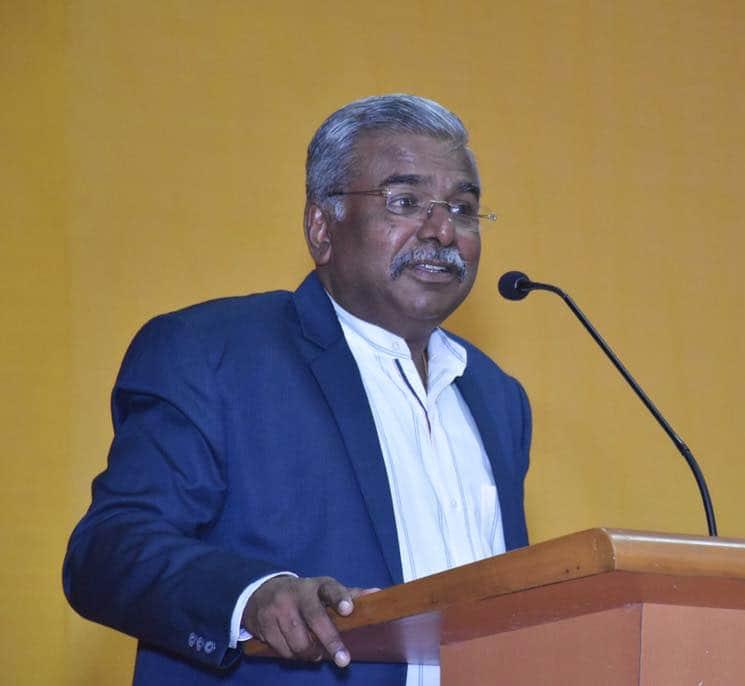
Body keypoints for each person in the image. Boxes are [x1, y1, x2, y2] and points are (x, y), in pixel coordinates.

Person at [63, 94, 532, 686]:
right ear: (322, 227)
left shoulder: (497, 398)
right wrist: (253, 597)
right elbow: (107, 552)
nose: (442, 230)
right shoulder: (214, 355)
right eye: (405, 201)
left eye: (463, 208)